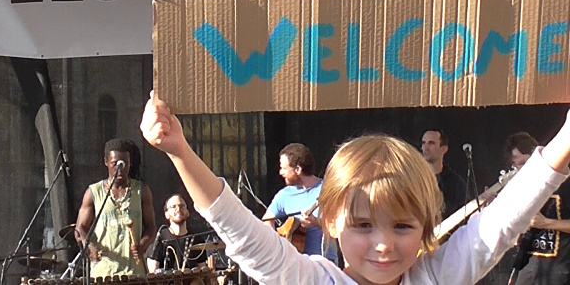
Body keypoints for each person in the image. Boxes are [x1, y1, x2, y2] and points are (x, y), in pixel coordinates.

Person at [140, 93, 570, 285]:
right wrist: (179, 150)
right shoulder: (311, 281)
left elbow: (502, 221)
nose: (383, 244)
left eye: (402, 226)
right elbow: (240, 230)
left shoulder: (435, 277)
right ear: (330, 221)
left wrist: (566, 138)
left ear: (426, 226)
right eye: (363, 225)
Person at [76, 138, 157, 278]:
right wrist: (89, 246)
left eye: (124, 164)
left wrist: (143, 245)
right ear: (106, 162)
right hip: (103, 273)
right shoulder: (94, 192)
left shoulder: (141, 190)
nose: (120, 169)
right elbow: (80, 227)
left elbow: (151, 227)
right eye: (115, 164)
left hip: (134, 273)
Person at [505, 131, 570, 285]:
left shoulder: (565, 183)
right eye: (516, 165)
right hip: (527, 267)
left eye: (524, 163)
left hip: (559, 270)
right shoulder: (521, 186)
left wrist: (546, 223)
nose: (521, 169)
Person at [262, 144, 337, 262]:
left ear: (298, 170)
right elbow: (267, 220)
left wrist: (317, 222)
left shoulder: (327, 191)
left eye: (284, 168)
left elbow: (342, 226)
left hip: (324, 264)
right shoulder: (284, 195)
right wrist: (277, 242)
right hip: (293, 265)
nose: (281, 172)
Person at [147, 194, 209, 273]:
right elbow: (153, 272)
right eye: (173, 206)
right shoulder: (160, 239)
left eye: (182, 206)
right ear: (166, 214)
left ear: (187, 212)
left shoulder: (197, 240)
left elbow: (202, 271)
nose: (178, 209)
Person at [421, 129, 467, 218]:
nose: (425, 147)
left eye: (431, 143)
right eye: (423, 143)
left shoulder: (456, 183)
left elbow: (465, 214)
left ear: (443, 149)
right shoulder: (413, 179)